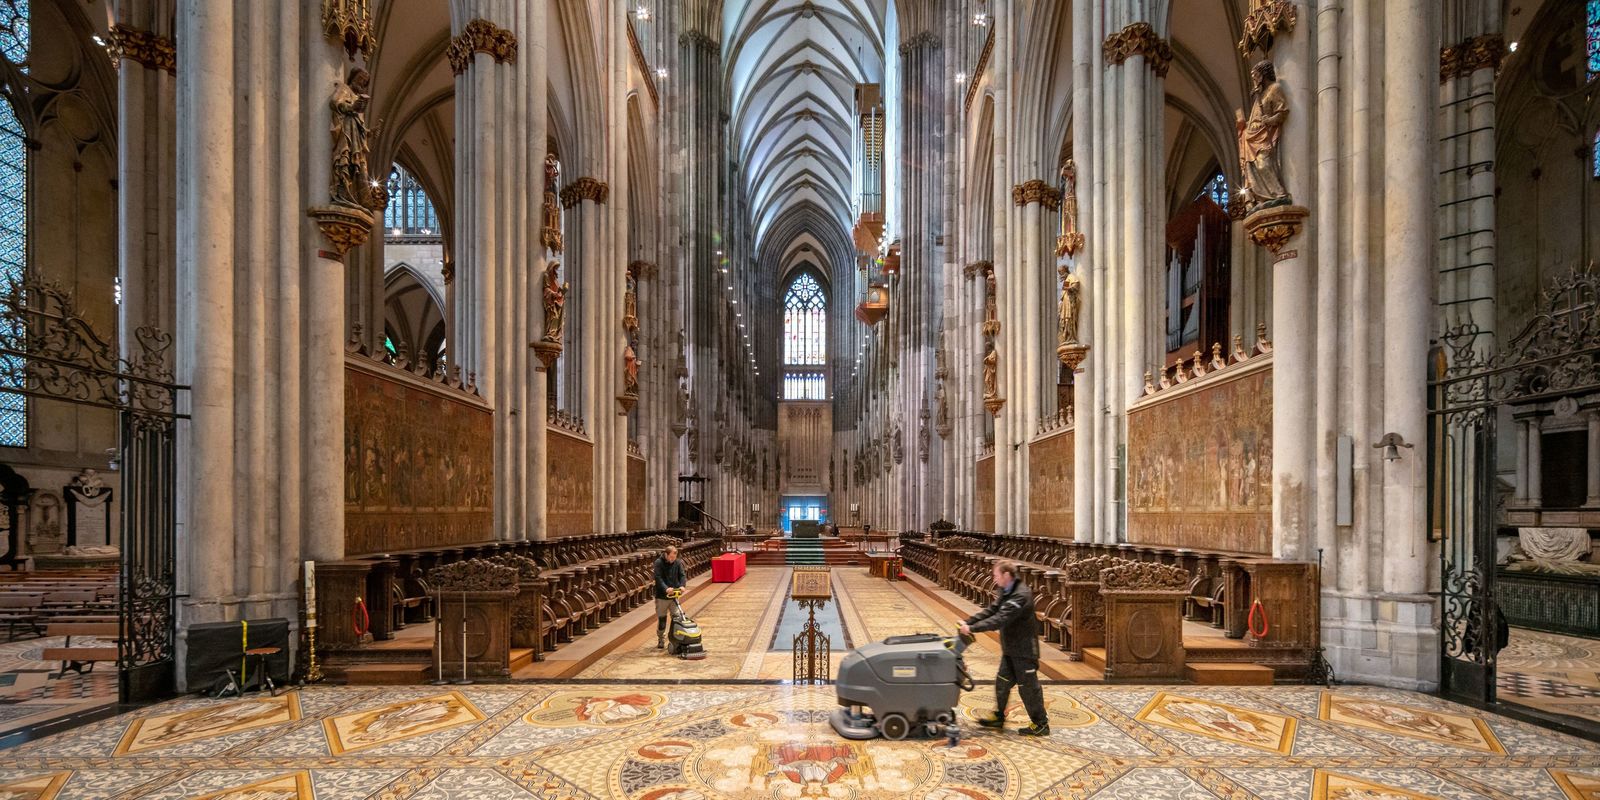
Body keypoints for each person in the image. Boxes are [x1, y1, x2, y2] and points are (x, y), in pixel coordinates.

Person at [959, 560, 1049, 736]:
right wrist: (969, 621)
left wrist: (972, 629)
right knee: (1002, 683)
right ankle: (998, 718)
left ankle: (1041, 724)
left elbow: (1000, 619)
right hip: (1010, 648)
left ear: (1007, 575)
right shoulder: (1005, 590)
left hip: (1024, 651)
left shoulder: (1020, 595)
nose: (994, 579)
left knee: (1028, 688)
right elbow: (992, 611)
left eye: (996, 575)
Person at [654, 545, 687, 650]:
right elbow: (658, 578)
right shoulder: (658, 563)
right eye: (671, 557)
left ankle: (675, 637)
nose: (672, 560)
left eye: (674, 557)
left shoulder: (677, 562)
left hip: (674, 596)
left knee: (677, 617)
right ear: (666, 554)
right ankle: (661, 638)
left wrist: (682, 585)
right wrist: (666, 588)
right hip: (662, 596)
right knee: (662, 619)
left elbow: (682, 575)